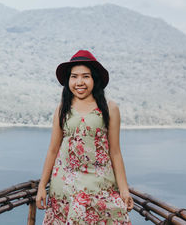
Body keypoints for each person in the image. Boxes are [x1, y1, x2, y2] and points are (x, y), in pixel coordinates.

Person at [36, 50, 133, 224]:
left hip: (99, 185)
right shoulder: (62, 109)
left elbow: (115, 152)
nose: (79, 82)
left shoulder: (110, 108)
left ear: (94, 79)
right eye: (74, 77)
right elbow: (53, 150)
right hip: (64, 186)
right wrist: (42, 186)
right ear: (68, 81)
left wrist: (124, 190)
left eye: (85, 76)